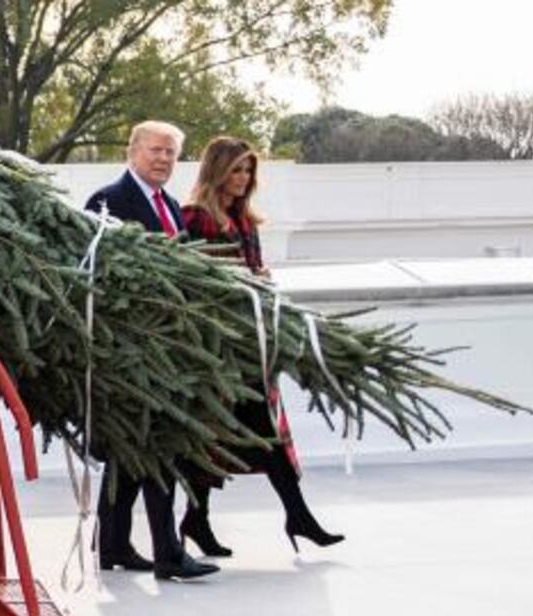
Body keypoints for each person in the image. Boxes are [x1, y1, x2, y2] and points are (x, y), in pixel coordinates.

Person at [179, 136, 345, 556]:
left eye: (248, 170)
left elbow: (248, 271)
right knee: (234, 435)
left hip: (251, 344)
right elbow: (197, 281)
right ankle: (293, 517)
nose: (243, 178)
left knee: (252, 433)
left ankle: (203, 519)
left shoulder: (245, 219)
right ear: (216, 171)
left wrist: (261, 277)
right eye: (235, 169)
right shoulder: (197, 217)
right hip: (222, 348)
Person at [84, 121, 219, 580]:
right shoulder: (108, 201)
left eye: (171, 153)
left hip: (167, 344)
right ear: (133, 151)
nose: (163, 159)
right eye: (156, 151)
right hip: (129, 347)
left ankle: (113, 544)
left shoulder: (173, 208)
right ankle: (168, 552)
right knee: (159, 446)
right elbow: (96, 272)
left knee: (131, 449)